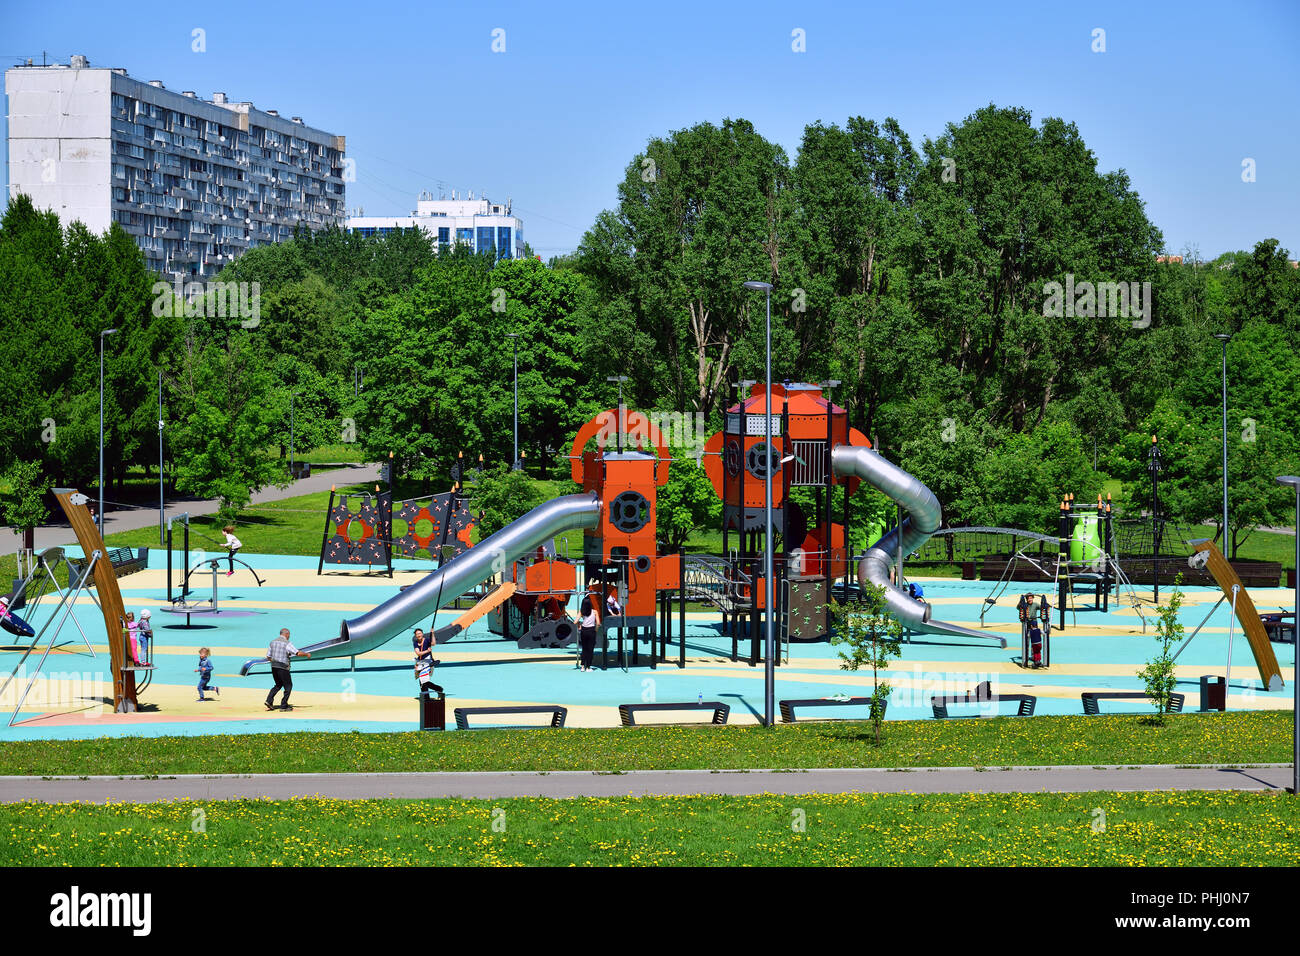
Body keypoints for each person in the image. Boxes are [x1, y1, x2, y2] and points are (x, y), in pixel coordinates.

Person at [264, 627, 309, 711]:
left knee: (278, 684)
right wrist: (306, 654)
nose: (289, 636)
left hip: (274, 666)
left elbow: (268, 656)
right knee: (288, 686)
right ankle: (283, 705)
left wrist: (274, 662)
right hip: (283, 667)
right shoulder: (287, 643)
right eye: (289, 635)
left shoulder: (272, 642)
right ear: (286, 634)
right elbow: (297, 653)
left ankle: (269, 700)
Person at [578, 582, 602, 672]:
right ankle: (588, 667)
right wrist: (595, 630)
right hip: (591, 631)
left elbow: (575, 621)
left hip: (584, 630)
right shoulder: (594, 612)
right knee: (590, 649)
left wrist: (579, 626)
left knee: (584, 648)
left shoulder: (582, 612)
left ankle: (582, 666)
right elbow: (598, 623)